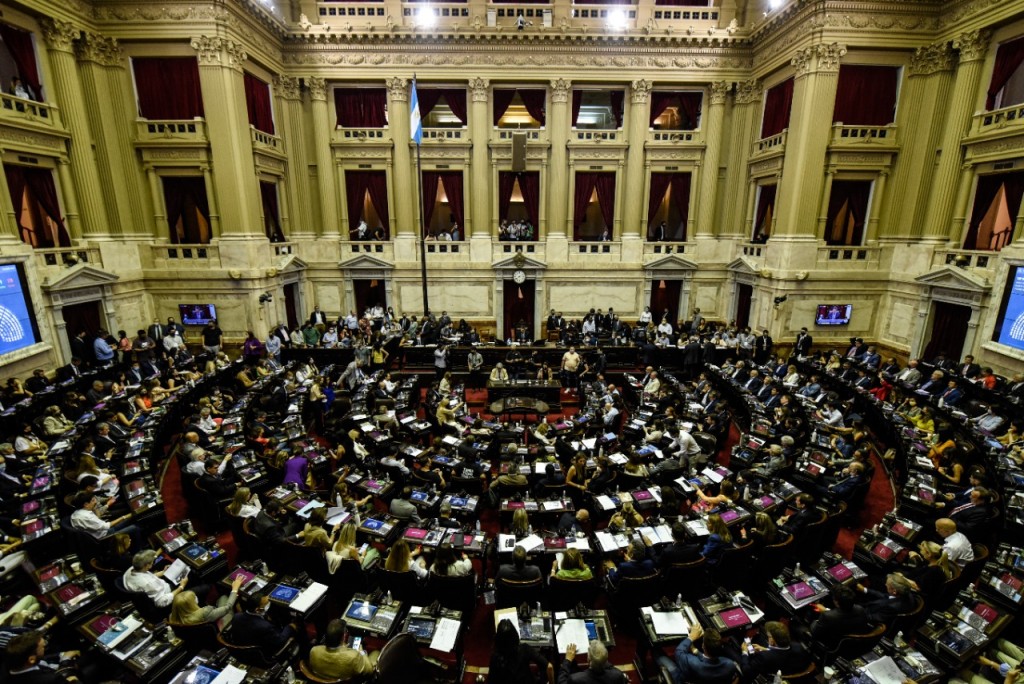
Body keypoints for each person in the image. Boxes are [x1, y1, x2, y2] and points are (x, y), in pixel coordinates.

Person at [661, 623, 739, 684]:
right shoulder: (730, 664)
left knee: (658, 653)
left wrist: (691, 637)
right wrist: (696, 652)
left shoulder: (692, 662)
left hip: (685, 680)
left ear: (703, 646)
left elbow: (679, 652)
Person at [808, 585, 875, 649]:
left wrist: (816, 621)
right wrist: (827, 611)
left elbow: (815, 632)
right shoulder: (860, 609)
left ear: (836, 602)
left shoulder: (827, 616)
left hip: (833, 644)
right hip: (853, 643)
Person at [309, 618, 379, 680]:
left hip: (323, 679)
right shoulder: (354, 656)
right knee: (376, 652)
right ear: (343, 637)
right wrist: (361, 652)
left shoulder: (314, 651)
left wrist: (343, 648)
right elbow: (369, 671)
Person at [490, 618, 552, 684]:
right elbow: (549, 666)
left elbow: (491, 680)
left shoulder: (495, 657)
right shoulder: (525, 649)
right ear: (515, 636)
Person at [170, 574, 243, 628]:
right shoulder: (205, 613)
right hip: (218, 632)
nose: (195, 597)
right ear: (190, 604)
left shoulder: (172, 617)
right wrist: (235, 589)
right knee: (224, 597)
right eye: (193, 598)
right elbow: (228, 607)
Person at [122, 549, 188, 608]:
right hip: (166, 593)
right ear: (146, 565)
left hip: (155, 588)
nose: (153, 563)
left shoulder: (130, 569)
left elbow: (147, 576)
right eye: (152, 562)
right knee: (190, 577)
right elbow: (161, 602)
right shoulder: (149, 583)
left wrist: (163, 572)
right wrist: (181, 586)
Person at [559, 641, 626, 684]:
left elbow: (561, 682)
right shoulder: (618, 675)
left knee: (573, 667)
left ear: (588, 659)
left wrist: (567, 660)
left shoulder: (575, 679)